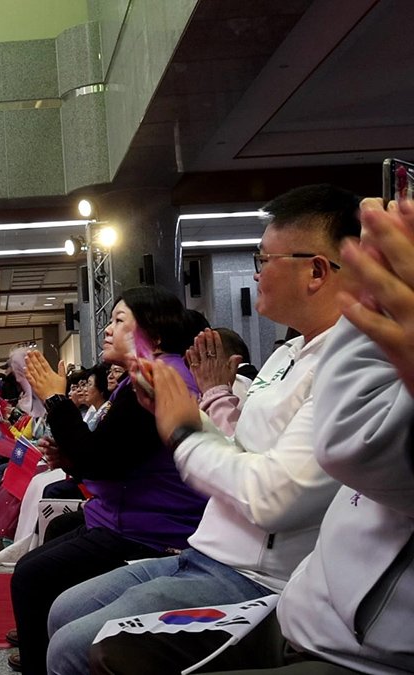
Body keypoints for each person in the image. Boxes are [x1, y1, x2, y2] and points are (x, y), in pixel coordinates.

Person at [87, 197, 414, 674]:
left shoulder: (351, 358)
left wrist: (185, 430)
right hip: (251, 571)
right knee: (85, 629)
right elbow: (246, 447)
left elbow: (289, 484)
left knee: (76, 638)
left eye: (264, 259)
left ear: (317, 271)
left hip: (257, 579)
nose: (256, 272)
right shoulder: (286, 355)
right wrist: (214, 404)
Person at [8, 286, 209, 675]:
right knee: (59, 530)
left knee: (30, 575)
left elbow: (104, 461)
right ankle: (44, 639)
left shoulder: (157, 380)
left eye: (119, 321)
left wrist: (57, 399)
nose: (107, 329)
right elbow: (109, 455)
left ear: (156, 333)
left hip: (151, 528)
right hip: (130, 513)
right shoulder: (143, 379)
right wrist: (70, 454)